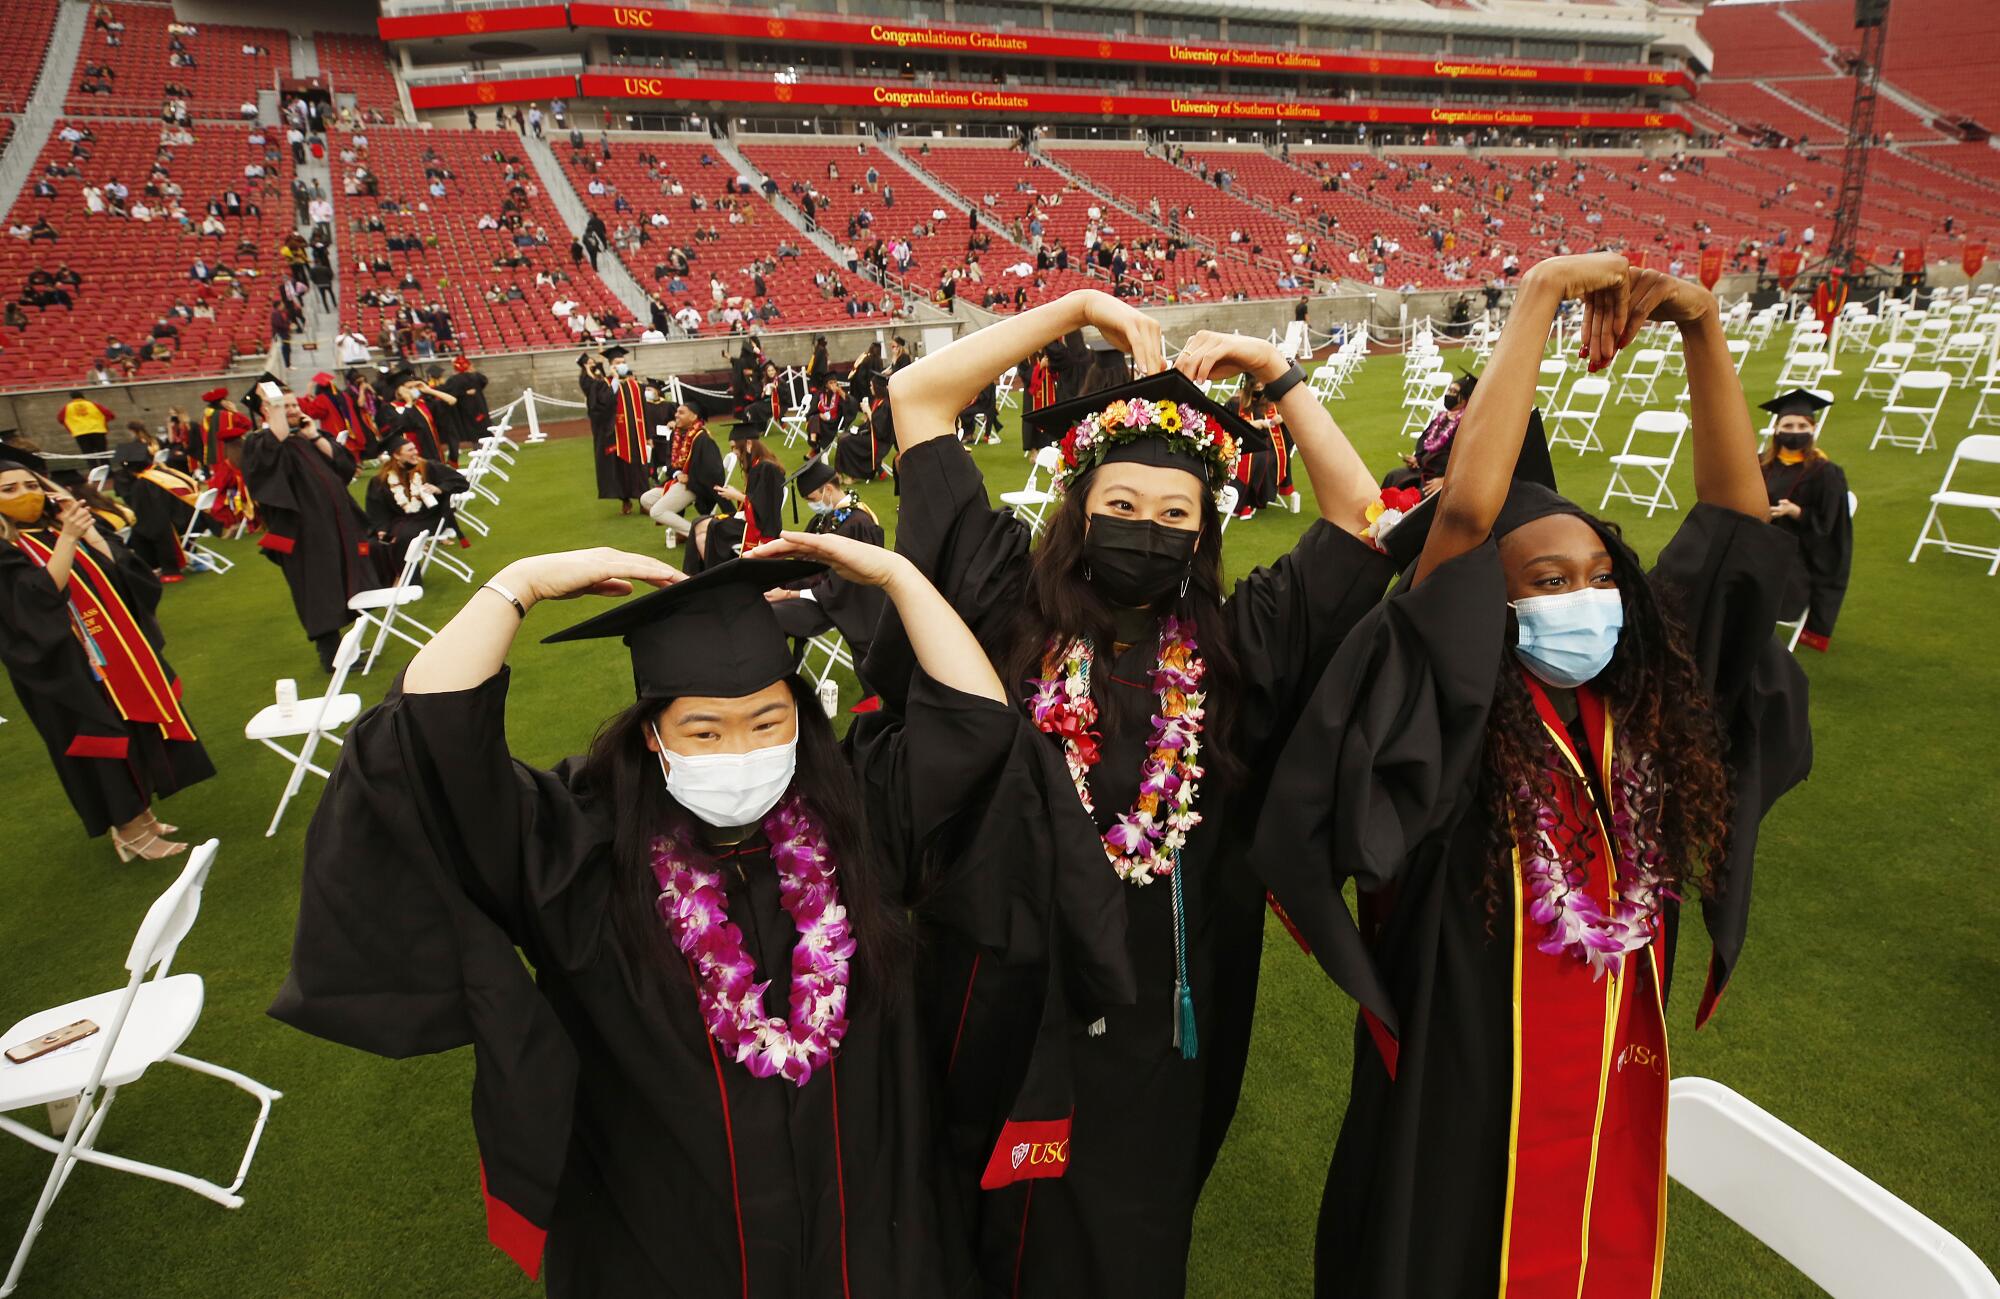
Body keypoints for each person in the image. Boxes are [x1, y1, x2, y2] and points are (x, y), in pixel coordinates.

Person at [270, 536, 1066, 1295]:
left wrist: (895, 573)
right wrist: (518, 584)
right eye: (703, 729)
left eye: (766, 721)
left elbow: (976, 722)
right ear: (654, 734)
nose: (740, 750)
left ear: (800, 716)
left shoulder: (858, 821)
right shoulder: (583, 854)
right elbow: (427, 741)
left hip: (866, 1229)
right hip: (673, 1239)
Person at [1253, 255, 1814, 1299]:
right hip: (1465, 1070)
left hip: (1609, 1067)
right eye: (1546, 583)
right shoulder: (1443, 712)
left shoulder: (1642, 706)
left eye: (1600, 577)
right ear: (1485, 606)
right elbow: (1463, 520)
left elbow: (1736, 535)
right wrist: (1542, 295)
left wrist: (1698, 326)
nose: (1584, 601)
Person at [881, 289, 1386, 1298]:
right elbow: (916, 400)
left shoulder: (1236, 647)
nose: (1143, 529)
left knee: (1130, 1231)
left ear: (1201, 535)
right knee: (981, 1218)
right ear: (1077, 507)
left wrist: (1273, 372)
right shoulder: (998, 600)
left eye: (1172, 515)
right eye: (1118, 506)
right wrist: (1072, 309)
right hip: (1006, 980)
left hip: (1162, 1004)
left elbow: (1363, 524)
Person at [0, 446, 212, 860]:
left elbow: (123, 578)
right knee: (103, 746)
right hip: (62, 672)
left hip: (106, 660)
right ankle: (130, 831)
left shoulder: (49, 533)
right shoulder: (8, 550)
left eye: (30, 485)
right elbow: (38, 601)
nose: (24, 493)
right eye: (9, 489)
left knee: (131, 736)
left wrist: (89, 533)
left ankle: (141, 816)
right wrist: (69, 538)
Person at [240, 381, 372, 673]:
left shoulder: (304, 438)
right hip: (302, 534)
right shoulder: (260, 444)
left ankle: (347, 647)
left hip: (334, 527)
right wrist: (271, 399)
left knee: (339, 583)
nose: (292, 411)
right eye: (283, 406)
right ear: (266, 410)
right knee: (318, 592)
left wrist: (314, 436)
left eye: (294, 405)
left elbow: (345, 467)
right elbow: (270, 461)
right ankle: (332, 655)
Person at [765, 458, 888, 671]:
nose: (812, 505)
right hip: (813, 592)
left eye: (812, 499)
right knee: (761, 599)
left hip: (838, 603)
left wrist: (789, 595)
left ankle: (774, 674)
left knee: (769, 613)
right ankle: (773, 672)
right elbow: (803, 555)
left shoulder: (859, 525)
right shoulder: (827, 518)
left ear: (828, 489)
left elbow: (845, 586)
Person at [1761, 388, 1851, 651]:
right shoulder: (1759, 464)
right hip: (1757, 541)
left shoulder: (1826, 473)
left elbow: (1831, 527)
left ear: (1812, 429)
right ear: (1777, 429)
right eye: (1788, 424)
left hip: (1798, 553)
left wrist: (1796, 512)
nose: (1795, 430)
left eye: (1802, 425)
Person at [365, 434, 469, 578]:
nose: (416, 452)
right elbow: (376, 509)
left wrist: (438, 489)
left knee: (402, 536)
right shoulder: (380, 480)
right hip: (397, 523)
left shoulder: (428, 467)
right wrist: (382, 529)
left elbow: (461, 482)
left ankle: (407, 580)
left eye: (414, 448)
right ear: (396, 455)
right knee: (374, 542)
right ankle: (387, 580)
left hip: (429, 518)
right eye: (410, 450)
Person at [110, 437, 204, 580]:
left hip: (177, 525)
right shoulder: (162, 471)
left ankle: (159, 568)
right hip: (194, 520)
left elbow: (153, 518)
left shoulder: (144, 484)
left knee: (140, 530)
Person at [639, 400, 725, 548]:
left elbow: (713, 471)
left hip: (696, 486)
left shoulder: (703, 438)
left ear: (693, 417)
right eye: (677, 412)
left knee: (657, 512)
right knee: (646, 499)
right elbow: (669, 462)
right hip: (678, 482)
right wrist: (678, 473)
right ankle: (684, 531)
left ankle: (697, 533)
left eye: (681, 412)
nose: (676, 415)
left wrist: (691, 478)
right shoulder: (676, 435)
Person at [694, 436, 783, 572]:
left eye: (735, 447)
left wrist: (736, 495)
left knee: (713, 527)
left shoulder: (767, 468)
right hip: (750, 518)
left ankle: (715, 575)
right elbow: (756, 498)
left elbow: (765, 506)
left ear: (748, 444)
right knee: (698, 524)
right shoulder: (757, 464)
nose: (734, 452)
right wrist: (737, 495)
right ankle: (706, 574)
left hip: (761, 527)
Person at [580, 346, 651, 513]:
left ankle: (643, 502)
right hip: (616, 435)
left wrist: (648, 435)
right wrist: (615, 379)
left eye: (623, 362)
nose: (621, 365)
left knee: (639, 470)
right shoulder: (603, 385)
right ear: (611, 365)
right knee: (620, 470)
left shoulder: (636, 385)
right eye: (617, 363)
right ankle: (625, 501)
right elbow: (602, 405)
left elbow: (645, 410)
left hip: (636, 434)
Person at [1383, 371, 1476, 492]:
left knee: (1420, 495)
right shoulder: (1441, 418)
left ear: (1465, 399)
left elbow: (1466, 460)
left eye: (1454, 392)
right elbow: (1425, 440)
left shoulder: (1466, 425)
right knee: (1393, 477)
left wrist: (1445, 480)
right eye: (1449, 390)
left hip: (1441, 476)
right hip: (1423, 470)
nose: (1449, 395)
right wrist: (1417, 458)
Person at [376, 366, 455, 463]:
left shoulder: (422, 404)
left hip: (432, 451)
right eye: (410, 387)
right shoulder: (390, 408)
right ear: (398, 391)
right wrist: (408, 403)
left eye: (415, 387)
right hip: (411, 454)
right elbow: (399, 425)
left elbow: (452, 401)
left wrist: (429, 390)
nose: (414, 390)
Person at [832, 372, 894, 484]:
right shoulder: (877, 401)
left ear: (877, 387)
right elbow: (870, 423)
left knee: (846, 441)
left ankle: (853, 475)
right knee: (843, 437)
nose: (870, 388)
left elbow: (881, 430)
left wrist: (868, 411)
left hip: (879, 441)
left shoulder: (885, 405)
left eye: (872, 385)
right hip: (870, 434)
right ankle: (839, 473)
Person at [60, 390, 114, 457]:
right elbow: (110, 415)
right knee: (103, 454)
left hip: (80, 433)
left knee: (88, 454)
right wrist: (102, 423)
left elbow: (60, 419)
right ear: (82, 395)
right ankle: (106, 466)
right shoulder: (93, 404)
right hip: (97, 431)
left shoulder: (67, 408)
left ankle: (93, 466)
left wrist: (72, 428)